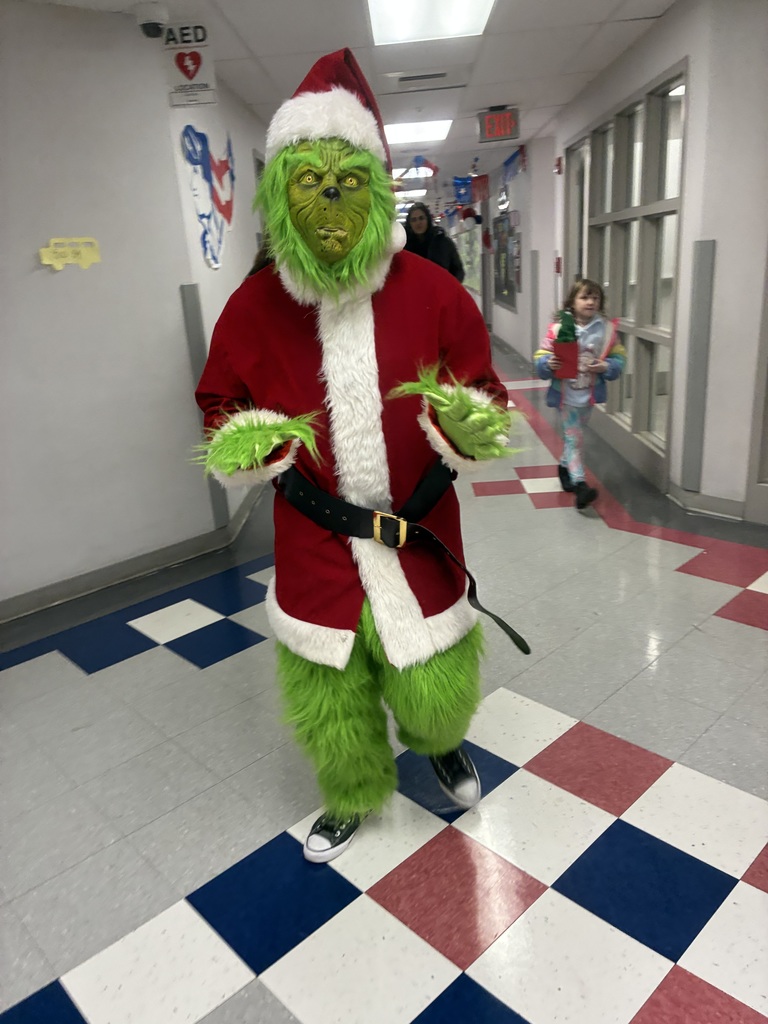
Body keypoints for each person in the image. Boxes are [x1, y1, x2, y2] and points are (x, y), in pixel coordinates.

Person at [194, 49, 522, 864]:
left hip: (419, 526)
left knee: (436, 677)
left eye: (348, 181)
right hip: (316, 536)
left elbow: (480, 385)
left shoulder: (434, 291)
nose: (330, 198)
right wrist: (249, 444)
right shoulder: (252, 304)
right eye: (310, 179)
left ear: (376, 191)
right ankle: (348, 794)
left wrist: (469, 423)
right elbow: (219, 400)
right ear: (280, 194)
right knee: (327, 688)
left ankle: (438, 743)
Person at [534, 279, 626, 509]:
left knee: (573, 436)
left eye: (595, 298)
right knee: (575, 438)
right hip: (566, 395)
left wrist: (607, 367)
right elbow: (541, 354)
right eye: (585, 297)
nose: (591, 302)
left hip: (588, 394)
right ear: (572, 302)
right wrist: (548, 362)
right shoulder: (558, 328)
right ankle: (580, 484)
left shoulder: (606, 329)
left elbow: (619, 357)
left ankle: (564, 468)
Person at [404, 202, 465, 282]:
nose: (418, 223)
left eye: (421, 218)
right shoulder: (404, 248)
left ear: (428, 220)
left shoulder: (444, 242)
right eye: (413, 220)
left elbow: (458, 271)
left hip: (440, 292)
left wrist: (449, 288)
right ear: (409, 224)